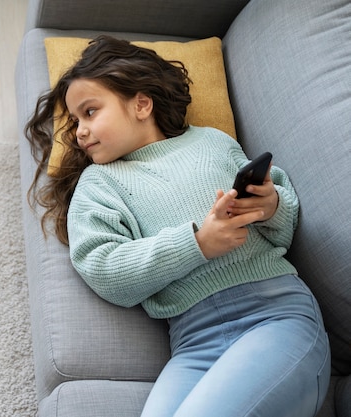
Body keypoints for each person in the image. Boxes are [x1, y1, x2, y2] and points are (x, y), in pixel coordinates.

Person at [25, 35, 330, 417]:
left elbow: (281, 231)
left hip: (275, 315)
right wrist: (197, 243)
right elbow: (105, 271)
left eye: (89, 112)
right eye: (73, 121)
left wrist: (271, 207)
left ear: (141, 104)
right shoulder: (97, 184)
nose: (79, 131)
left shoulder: (213, 142)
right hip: (194, 341)